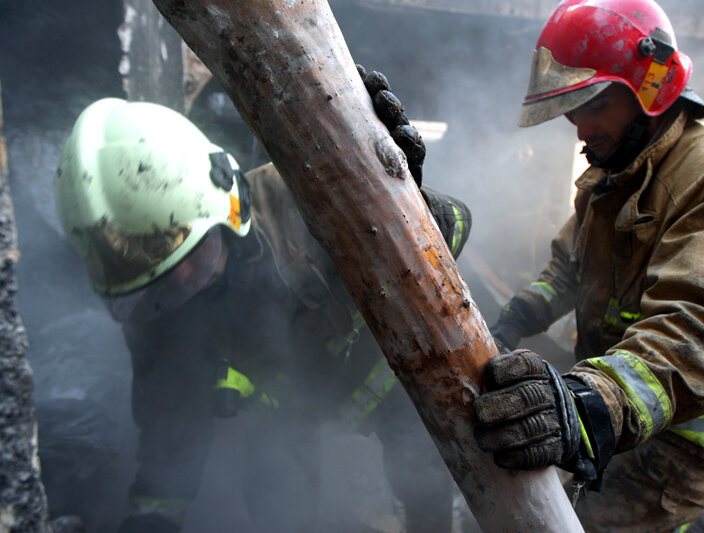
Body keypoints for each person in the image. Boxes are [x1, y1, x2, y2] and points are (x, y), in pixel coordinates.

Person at [53, 72, 470, 532]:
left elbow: (460, 221)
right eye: (160, 273)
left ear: (225, 204)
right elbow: (169, 432)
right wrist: (152, 518)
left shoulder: (305, 194)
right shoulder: (160, 317)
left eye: (188, 249)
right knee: (279, 505)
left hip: (397, 387)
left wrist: (406, 212)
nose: (183, 279)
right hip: (293, 417)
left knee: (425, 490)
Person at [472, 0, 704, 531]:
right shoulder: (614, 175)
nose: (580, 128)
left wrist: (585, 409)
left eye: (593, 104)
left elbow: (699, 333)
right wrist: (509, 323)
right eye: (571, 111)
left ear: (649, 88)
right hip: (617, 403)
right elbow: (567, 271)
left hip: (685, 434)